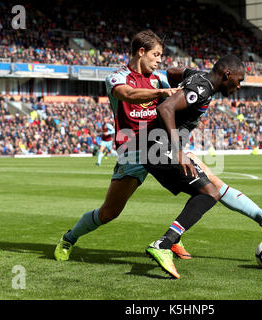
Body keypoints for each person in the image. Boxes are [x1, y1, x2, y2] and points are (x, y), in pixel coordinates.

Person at [143, 55, 262, 278]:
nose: (239, 85)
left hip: (157, 146)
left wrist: (170, 85)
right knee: (209, 193)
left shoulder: (198, 78)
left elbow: (174, 72)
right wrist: (177, 150)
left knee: (212, 188)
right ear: (227, 75)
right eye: (239, 80)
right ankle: (163, 244)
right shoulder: (202, 88)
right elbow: (166, 108)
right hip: (159, 148)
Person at [54, 30, 183, 261]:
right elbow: (129, 95)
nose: (159, 60)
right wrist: (162, 92)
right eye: (156, 54)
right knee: (109, 212)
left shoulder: (160, 77)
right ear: (141, 52)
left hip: (157, 146)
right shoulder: (117, 77)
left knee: (201, 187)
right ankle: (69, 238)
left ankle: (172, 240)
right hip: (131, 149)